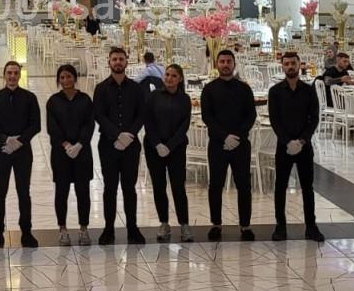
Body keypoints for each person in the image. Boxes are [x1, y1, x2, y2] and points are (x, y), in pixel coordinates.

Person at [200, 50, 257, 241]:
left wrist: (237, 136)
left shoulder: (244, 89)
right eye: (222, 61)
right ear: (217, 65)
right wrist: (224, 137)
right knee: (215, 185)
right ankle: (216, 224)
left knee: (244, 186)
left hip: (241, 145)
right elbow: (207, 117)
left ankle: (245, 225)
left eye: (229, 61)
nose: (225, 64)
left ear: (234, 64)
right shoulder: (208, 89)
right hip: (217, 145)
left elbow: (251, 116)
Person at [267, 51, 324, 243]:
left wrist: (301, 141)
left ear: (300, 65)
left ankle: (311, 226)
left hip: (304, 146)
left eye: (293, 63)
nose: (290, 66)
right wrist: (287, 141)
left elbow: (314, 118)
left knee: (307, 187)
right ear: (282, 67)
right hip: (283, 146)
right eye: (286, 64)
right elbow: (275, 120)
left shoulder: (309, 90)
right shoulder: (275, 91)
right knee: (280, 186)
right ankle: (280, 226)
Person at [0, 60, 41, 249]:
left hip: (23, 151)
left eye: (15, 73)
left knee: (23, 192)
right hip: (1, 151)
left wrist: (20, 141)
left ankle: (26, 232)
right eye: (9, 73)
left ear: (19, 75)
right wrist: (4, 139)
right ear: (4, 75)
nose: (12, 76)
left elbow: (36, 125)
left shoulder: (29, 98)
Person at [93, 46, 146, 245]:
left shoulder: (136, 88)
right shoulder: (101, 88)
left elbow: (141, 114)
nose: (117, 62)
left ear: (126, 61)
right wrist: (116, 135)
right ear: (109, 62)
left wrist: (129, 135)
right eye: (114, 59)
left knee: (129, 188)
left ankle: (132, 228)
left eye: (121, 59)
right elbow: (99, 114)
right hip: (108, 144)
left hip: (131, 145)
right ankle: (109, 229)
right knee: (109, 188)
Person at [46, 63, 95, 246]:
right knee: (62, 191)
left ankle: (83, 228)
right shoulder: (53, 101)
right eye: (62, 77)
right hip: (61, 153)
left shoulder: (85, 100)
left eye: (69, 76)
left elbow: (89, 124)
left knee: (83, 191)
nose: (66, 80)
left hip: (82, 152)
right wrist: (66, 144)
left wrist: (80, 144)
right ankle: (63, 229)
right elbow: (52, 127)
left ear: (75, 78)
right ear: (59, 80)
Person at [144, 62, 192, 243]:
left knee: (178, 186)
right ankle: (164, 222)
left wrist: (170, 146)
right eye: (167, 75)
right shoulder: (154, 96)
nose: (169, 78)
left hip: (176, 148)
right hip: (153, 147)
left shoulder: (184, 99)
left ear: (179, 79)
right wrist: (157, 144)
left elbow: (184, 125)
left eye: (173, 76)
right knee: (159, 186)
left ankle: (184, 223)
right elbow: (148, 121)